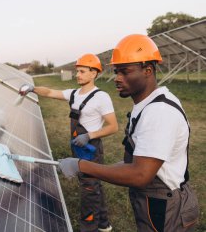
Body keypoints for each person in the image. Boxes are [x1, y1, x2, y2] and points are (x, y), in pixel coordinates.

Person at [58, 34, 199, 231]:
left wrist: (82, 166)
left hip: (166, 207)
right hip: (156, 200)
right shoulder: (145, 105)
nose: (117, 78)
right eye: (117, 72)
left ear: (148, 70)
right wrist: (96, 168)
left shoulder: (159, 112)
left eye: (125, 72)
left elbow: (140, 174)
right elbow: (135, 162)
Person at [19, 54, 118, 232]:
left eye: (82, 71)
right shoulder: (74, 94)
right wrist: (33, 88)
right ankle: (104, 223)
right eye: (77, 71)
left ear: (93, 73)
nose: (77, 74)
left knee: (89, 189)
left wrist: (89, 135)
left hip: (90, 149)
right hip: (77, 147)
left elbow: (113, 126)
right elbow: (49, 92)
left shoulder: (101, 97)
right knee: (93, 184)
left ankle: (89, 228)